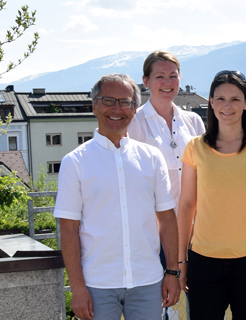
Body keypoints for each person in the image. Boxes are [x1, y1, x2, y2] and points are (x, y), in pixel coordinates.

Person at [55, 73, 180, 320]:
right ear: (94, 106)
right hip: (97, 283)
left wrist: (172, 273)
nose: (117, 109)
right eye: (108, 100)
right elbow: (68, 229)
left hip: (148, 280)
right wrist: (77, 288)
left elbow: (167, 220)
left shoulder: (152, 158)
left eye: (125, 102)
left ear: (134, 109)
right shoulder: (75, 162)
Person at [177, 70, 246, 319]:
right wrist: (182, 261)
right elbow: (186, 205)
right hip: (204, 260)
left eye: (235, 99)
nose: (228, 106)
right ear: (211, 103)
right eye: (220, 99)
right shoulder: (195, 147)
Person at [127, 50, 204, 319]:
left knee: (201, 303)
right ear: (145, 81)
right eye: (160, 76)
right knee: (161, 305)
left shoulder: (193, 121)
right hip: (154, 233)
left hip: (195, 231)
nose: (167, 82)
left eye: (173, 75)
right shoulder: (134, 121)